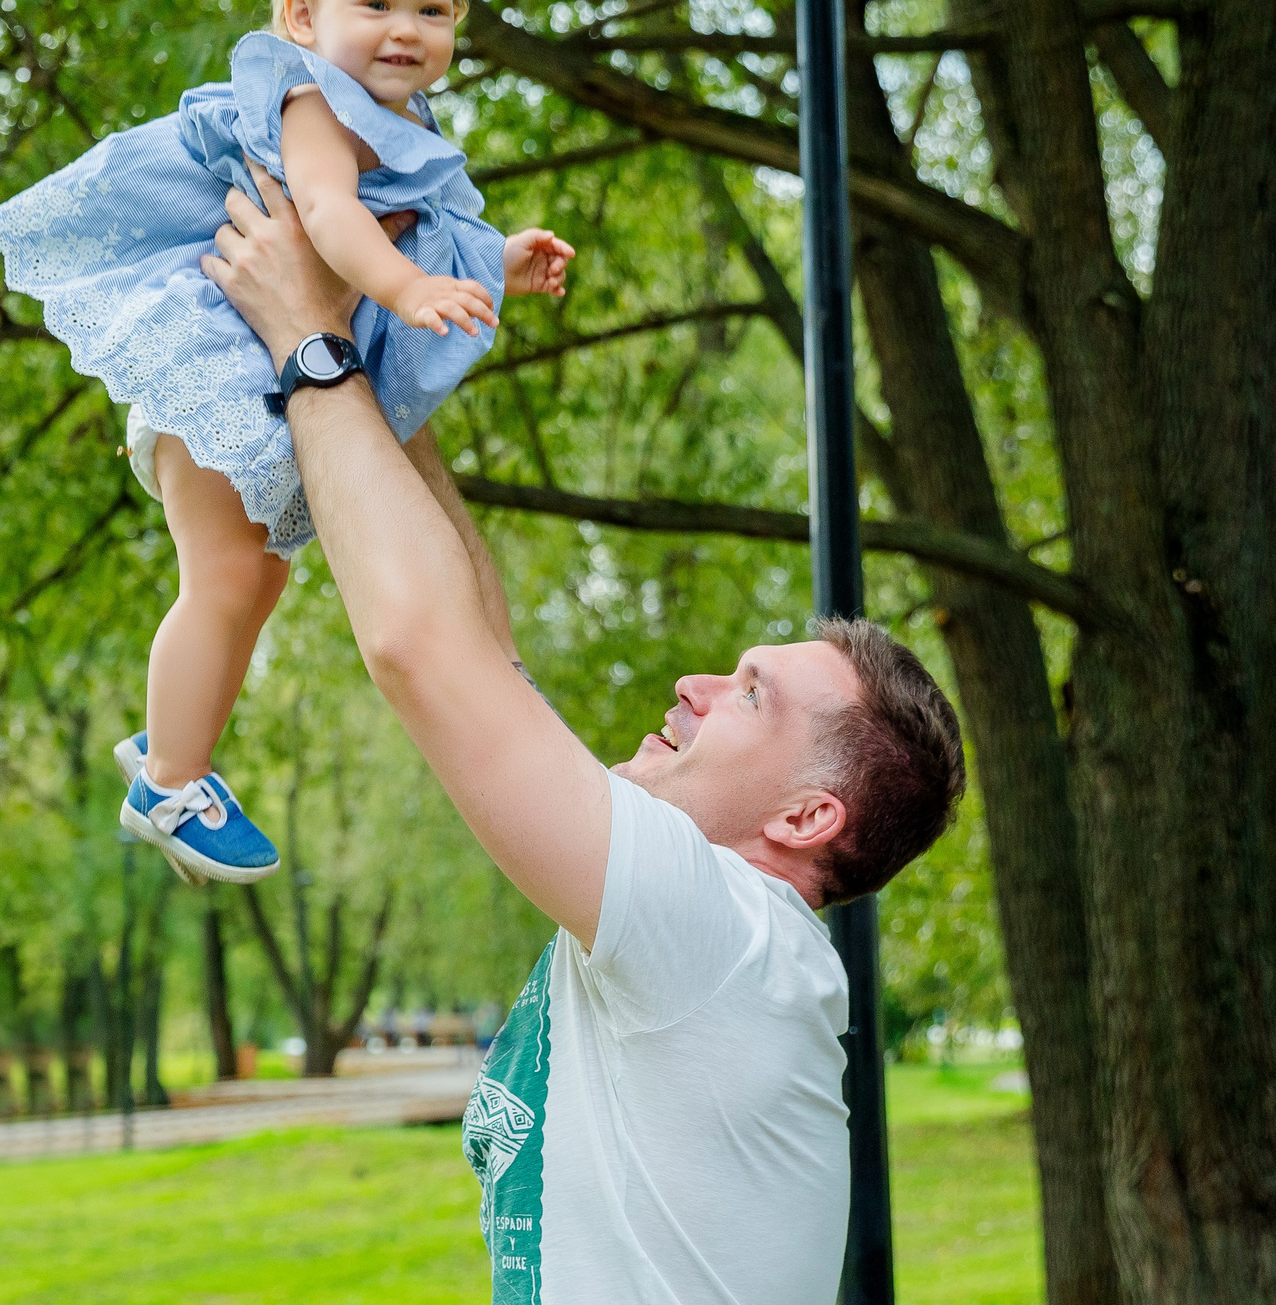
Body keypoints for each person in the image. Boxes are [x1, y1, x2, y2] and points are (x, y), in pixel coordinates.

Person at [197, 179, 967, 1304]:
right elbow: (479, 647)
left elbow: (424, 648)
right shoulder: (708, 932)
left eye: (748, 693)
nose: (694, 684)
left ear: (805, 817)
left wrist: (308, 345)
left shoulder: (724, 932)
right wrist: (377, 351)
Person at [0, 0, 575, 886]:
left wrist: (495, 263)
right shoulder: (310, 102)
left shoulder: (392, 117)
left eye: (431, 11)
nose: (407, 31)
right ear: (302, 18)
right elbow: (334, 221)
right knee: (225, 578)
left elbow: (409, 226)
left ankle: (171, 748)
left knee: (248, 582)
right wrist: (403, 288)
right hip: (216, 365)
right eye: (377, 6)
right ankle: (167, 777)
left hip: (249, 373)